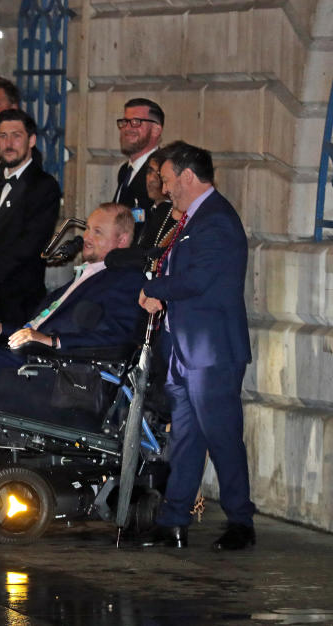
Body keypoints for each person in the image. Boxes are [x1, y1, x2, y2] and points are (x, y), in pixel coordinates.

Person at [138, 141, 255, 551]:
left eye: (167, 179)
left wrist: (155, 289)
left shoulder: (216, 220)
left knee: (222, 436)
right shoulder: (192, 218)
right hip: (186, 349)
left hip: (212, 352)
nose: (164, 187)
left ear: (188, 176)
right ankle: (173, 520)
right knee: (186, 437)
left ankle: (241, 521)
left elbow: (198, 280)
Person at [0, 203, 144, 416]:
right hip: (34, 355)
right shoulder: (84, 276)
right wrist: (0, 328)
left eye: (97, 232)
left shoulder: (127, 280)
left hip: (63, 371)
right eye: (87, 228)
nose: (86, 237)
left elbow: (118, 336)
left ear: (122, 240)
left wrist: (54, 341)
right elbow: (37, 328)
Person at [0, 108, 61, 334]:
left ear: (31, 140)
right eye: (3, 136)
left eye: (16, 135)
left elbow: (28, 246)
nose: (8, 143)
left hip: (19, 300)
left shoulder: (44, 186)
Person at [114, 98, 164, 219]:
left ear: (156, 130)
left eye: (136, 122)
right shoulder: (125, 170)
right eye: (125, 122)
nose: (127, 128)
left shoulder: (162, 173)